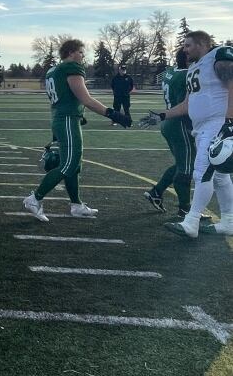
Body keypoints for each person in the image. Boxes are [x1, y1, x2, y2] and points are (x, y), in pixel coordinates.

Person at [23, 39, 132, 222]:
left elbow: (66, 97)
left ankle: (76, 205)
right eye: (81, 52)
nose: (83, 55)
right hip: (66, 120)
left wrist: (77, 113)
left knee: (74, 166)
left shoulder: (54, 70)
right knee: (69, 164)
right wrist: (114, 114)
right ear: (71, 52)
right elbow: (86, 99)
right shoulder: (70, 67)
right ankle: (35, 198)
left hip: (62, 118)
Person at [142, 31, 233, 238]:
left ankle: (191, 221)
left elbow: (232, 84)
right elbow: (187, 104)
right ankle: (229, 221)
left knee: (201, 171)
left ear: (201, 44)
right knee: (220, 177)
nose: (184, 49)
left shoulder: (217, 57)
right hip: (202, 127)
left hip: (217, 123)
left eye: (188, 45)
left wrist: (229, 122)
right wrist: (162, 115)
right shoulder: (194, 68)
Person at [142, 50, 195, 216]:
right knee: (186, 168)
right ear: (187, 58)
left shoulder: (171, 71)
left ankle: (156, 192)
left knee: (182, 163)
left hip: (169, 121)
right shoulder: (187, 75)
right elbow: (187, 105)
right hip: (179, 122)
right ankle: (185, 209)